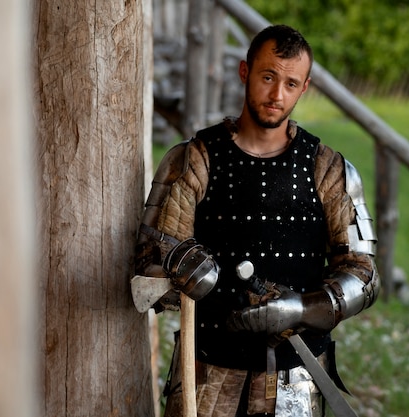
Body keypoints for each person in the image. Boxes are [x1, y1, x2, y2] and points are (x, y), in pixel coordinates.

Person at [135, 24, 380, 417]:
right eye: (268, 77)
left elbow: (364, 274)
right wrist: (182, 266)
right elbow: (148, 264)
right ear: (244, 71)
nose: (277, 94)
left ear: (304, 87)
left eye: (290, 83)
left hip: (294, 381)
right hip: (207, 372)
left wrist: (300, 308)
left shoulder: (328, 169)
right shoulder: (194, 160)